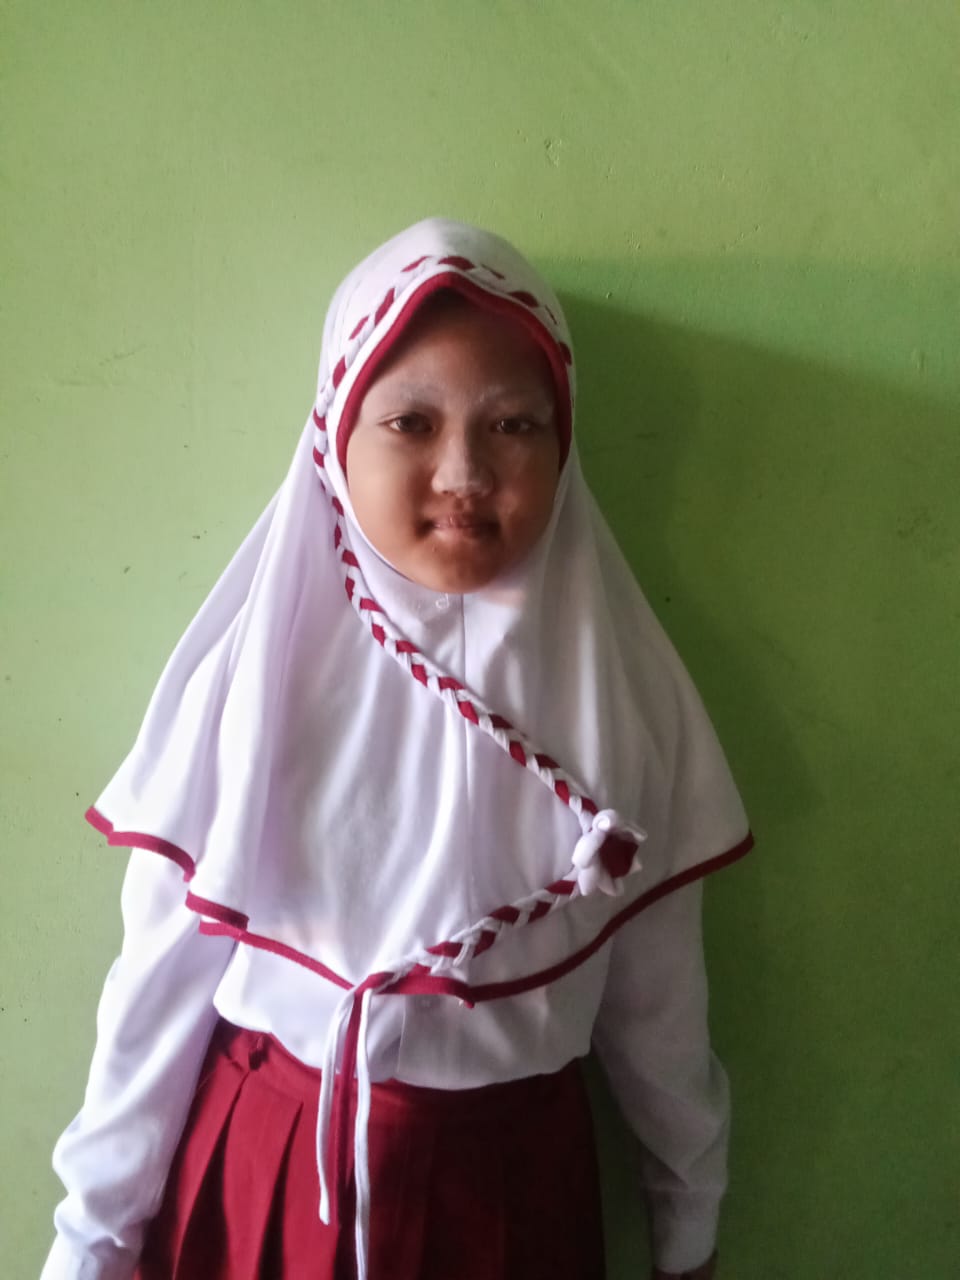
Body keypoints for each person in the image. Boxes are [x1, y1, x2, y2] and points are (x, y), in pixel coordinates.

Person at [42, 218, 752, 1280]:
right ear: (336, 433)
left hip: (514, 1188)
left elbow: (661, 1006)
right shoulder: (253, 688)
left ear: (565, 441)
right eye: (410, 422)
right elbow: (155, 994)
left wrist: (688, 1213)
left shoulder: (625, 698)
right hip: (275, 1172)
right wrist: (92, 1240)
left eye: (514, 424)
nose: (464, 471)